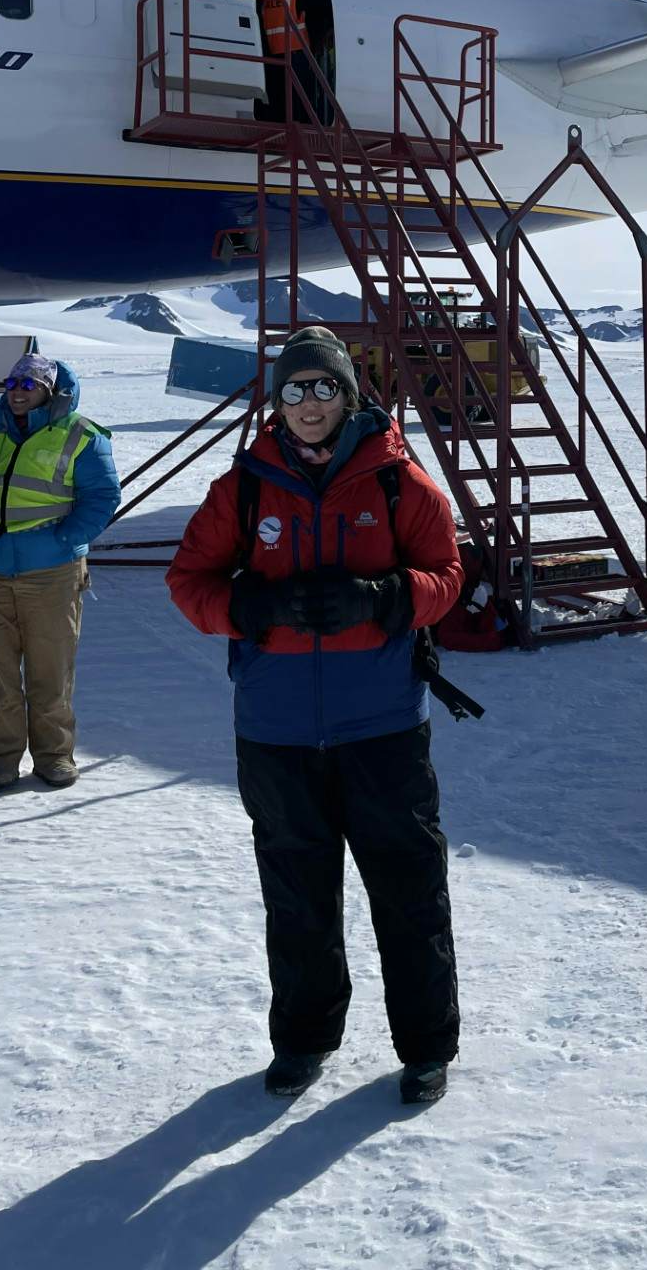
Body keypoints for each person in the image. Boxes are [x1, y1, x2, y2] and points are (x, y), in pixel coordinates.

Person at [167, 325, 465, 1104]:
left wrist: (386, 597)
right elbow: (190, 581)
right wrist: (250, 604)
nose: (309, 403)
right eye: (294, 388)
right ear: (277, 401)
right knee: (297, 893)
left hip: (382, 724)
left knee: (408, 888)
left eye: (323, 386)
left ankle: (426, 1048)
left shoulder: (401, 482)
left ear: (349, 394)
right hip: (276, 728)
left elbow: (447, 574)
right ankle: (303, 1039)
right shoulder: (245, 488)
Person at [0, 353, 120, 791]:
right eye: (12, 383)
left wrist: (64, 541)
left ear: (51, 390)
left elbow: (102, 495)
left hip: (52, 571)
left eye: (29, 384)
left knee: (50, 668)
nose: (18, 392)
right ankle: (2, 759)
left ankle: (54, 755)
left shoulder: (82, 435)